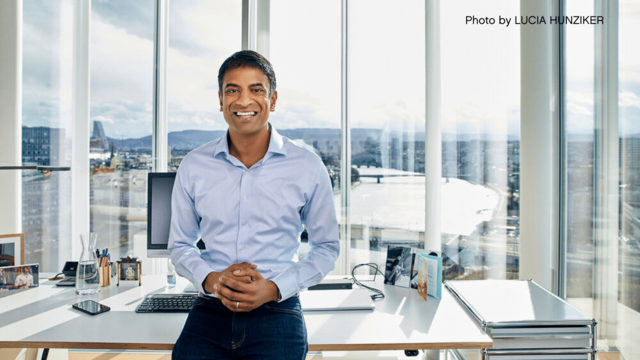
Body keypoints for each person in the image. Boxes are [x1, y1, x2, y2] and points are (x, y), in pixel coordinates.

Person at [169, 50, 340, 360]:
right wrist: (212, 279)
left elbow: (326, 247)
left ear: (273, 101)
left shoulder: (307, 166)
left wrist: (274, 288)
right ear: (220, 100)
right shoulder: (193, 166)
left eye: (256, 89)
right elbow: (180, 245)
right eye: (232, 89)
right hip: (210, 308)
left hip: (278, 310)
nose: (243, 100)